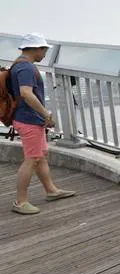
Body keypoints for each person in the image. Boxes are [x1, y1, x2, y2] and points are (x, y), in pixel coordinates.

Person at [10, 32, 75, 215]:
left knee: (40, 156)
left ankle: (51, 190)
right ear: (36, 48)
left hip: (29, 119)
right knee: (32, 159)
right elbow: (26, 93)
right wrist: (45, 114)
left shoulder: (20, 65)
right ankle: (20, 201)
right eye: (44, 49)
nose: (45, 53)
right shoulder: (26, 68)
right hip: (28, 120)